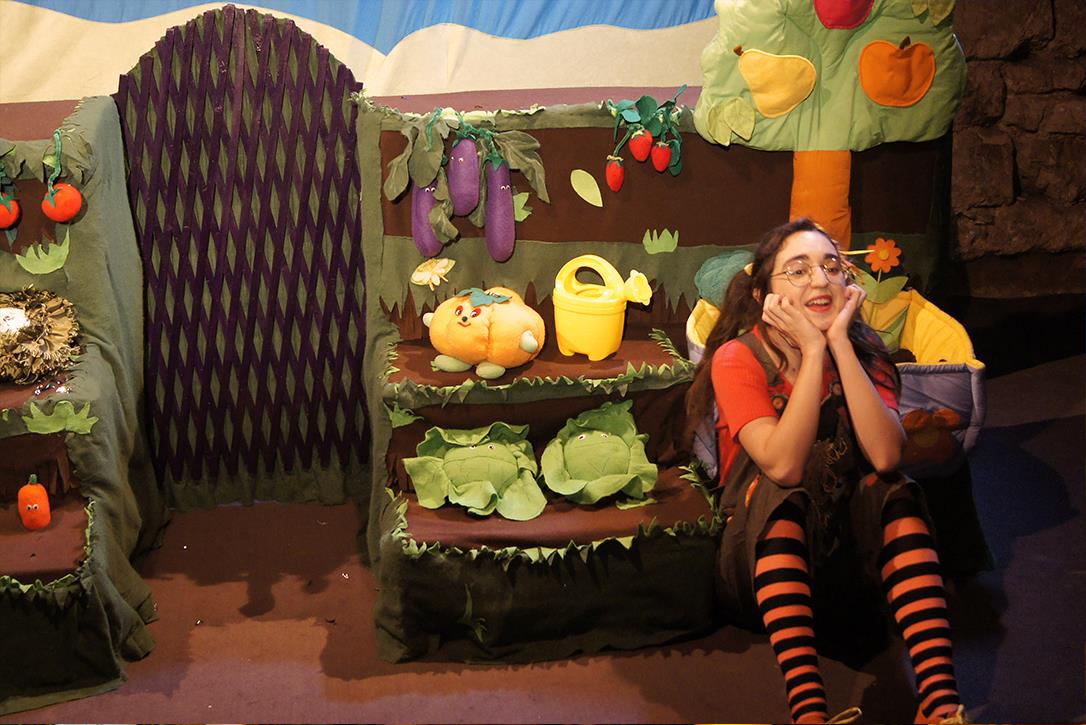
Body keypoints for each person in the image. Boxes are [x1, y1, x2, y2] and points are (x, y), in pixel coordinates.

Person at [685, 218, 966, 724]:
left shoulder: (864, 352)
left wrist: (839, 344)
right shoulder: (737, 358)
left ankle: (941, 707)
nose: (819, 280)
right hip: (763, 568)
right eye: (798, 270)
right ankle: (810, 714)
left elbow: (886, 455)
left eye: (831, 266)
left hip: (851, 571)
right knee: (780, 493)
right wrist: (812, 352)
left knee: (893, 489)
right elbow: (784, 464)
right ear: (763, 295)